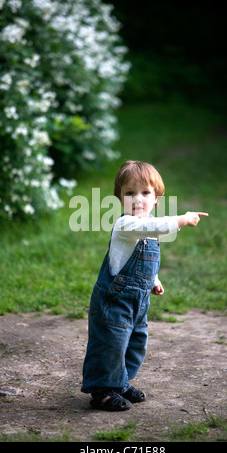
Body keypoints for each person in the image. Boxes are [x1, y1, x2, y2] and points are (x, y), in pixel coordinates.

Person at [81, 160, 208, 411]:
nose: (137, 199)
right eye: (129, 193)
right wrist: (181, 219)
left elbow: (141, 259)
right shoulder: (126, 224)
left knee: (136, 342)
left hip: (138, 301)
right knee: (111, 344)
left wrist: (154, 281)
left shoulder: (147, 228)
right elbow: (152, 226)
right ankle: (102, 390)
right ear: (119, 198)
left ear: (156, 198)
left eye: (145, 193)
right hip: (114, 301)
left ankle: (120, 381)